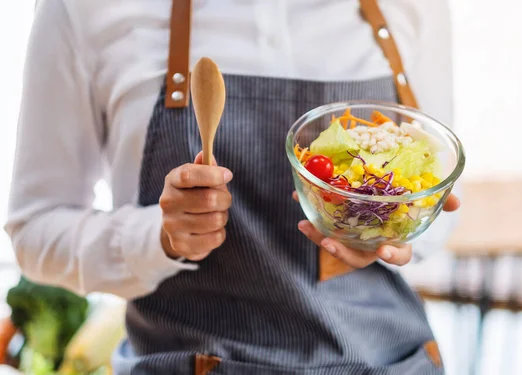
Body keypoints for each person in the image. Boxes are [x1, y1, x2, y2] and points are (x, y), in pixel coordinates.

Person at [5, 0, 460, 374]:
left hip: (388, 360)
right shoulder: (85, 11)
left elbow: (437, 201)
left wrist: (385, 232)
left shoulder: (410, 7)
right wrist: (158, 238)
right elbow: (34, 231)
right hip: (192, 362)